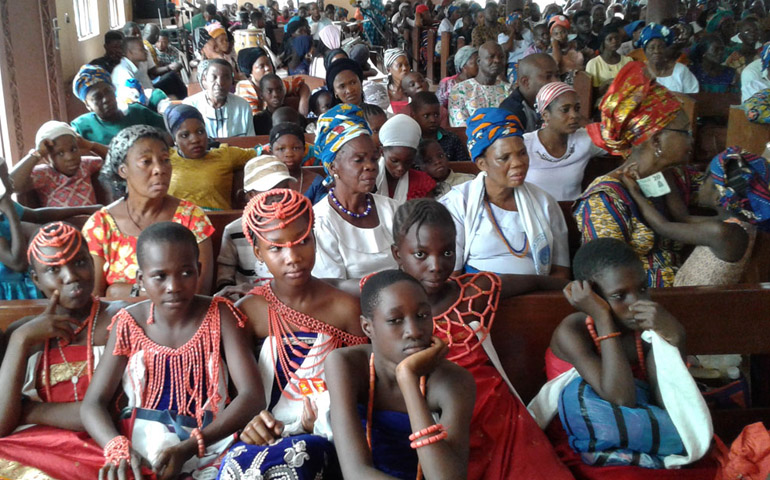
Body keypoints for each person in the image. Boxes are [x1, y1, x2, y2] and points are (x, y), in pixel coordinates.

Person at [390, 199, 572, 479]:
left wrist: (582, 287)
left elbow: (537, 282)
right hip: (433, 420)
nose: (437, 265)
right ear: (397, 254)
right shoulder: (384, 298)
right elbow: (333, 289)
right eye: (421, 254)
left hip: (497, 418)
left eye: (447, 252)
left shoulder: (476, 290)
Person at [80, 222, 262, 480]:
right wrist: (118, 448)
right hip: (140, 444)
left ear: (199, 270)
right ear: (141, 279)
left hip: (213, 444)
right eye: (160, 276)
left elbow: (252, 396)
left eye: (186, 273)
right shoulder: (128, 322)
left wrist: (190, 446)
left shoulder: (220, 315)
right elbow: (93, 403)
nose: (173, 286)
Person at [529, 238, 716, 479]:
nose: (637, 302)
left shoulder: (646, 330)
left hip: (640, 431)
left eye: (641, 289)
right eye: (619, 296)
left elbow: (665, 401)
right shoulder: (572, 332)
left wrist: (676, 338)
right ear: (592, 296)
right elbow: (621, 397)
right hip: (584, 440)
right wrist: (602, 317)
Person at [218, 189, 368, 478]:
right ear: (258, 252)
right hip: (259, 432)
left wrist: (322, 420)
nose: (293, 257)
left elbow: (362, 385)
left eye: (302, 241)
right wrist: (250, 425)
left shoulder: (345, 308)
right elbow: (236, 392)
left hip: (328, 432)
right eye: (276, 248)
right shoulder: (248, 312)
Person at [0, 223, 126, 479]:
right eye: (53, 269)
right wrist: (20, 341)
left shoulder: (119, 319)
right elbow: (2, 424)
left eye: (79, 262)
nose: (71, 276)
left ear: (92, 263)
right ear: (35, 279)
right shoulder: (23, 333)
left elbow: (110, 409)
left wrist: (29, 410)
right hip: (31, 446)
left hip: (101, 443)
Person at [324, 269, 476, 479]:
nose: (414, 331)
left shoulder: (455, 382)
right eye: (395, 320)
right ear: (367, 327)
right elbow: (355, 472)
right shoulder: (345, 364)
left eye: (422, 316)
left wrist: (408, 379)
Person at [575, 61, 698, 288]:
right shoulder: (606, 198)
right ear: (657, 141)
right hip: (642, 306)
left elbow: (723, 191)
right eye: (684, 132)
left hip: (688, 295)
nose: (692, 139)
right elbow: (605, 279)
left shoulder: (677, 177)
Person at [82, 125, 215, 298]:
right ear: (123, 170)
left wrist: (119, 291)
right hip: (116, 323)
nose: (159, 169)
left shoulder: (191, 218)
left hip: (182, 322)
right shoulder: (101, 225)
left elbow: (199, 292)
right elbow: (95, 298)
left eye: (165, 159)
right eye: (146, 162)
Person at [440, 109, 571, 278]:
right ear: (482, 164)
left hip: (536, 298)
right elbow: (452, 275)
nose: (518, 163)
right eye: (504, 157)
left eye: (522, 153)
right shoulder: (458, 203)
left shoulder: (544, 202)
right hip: (478, 297)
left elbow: (561, 271)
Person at [620, 147, 770, 286]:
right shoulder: (735, 225)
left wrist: (634, 192)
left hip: (690, 304)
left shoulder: (722, 232)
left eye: (705, 179)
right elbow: (683, 217)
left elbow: (663, 226)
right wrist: (666, 174)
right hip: (692, 298)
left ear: (719, 197)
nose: (700, 184)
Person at [311, 104, 399, 279]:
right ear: (333, 166)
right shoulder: (321, 222)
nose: (371, 167)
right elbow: (332, 288)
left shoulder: (391, 209)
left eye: (374, 159)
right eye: (359, 160)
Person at [0, 158, 99, 300]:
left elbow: (37, 215)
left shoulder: (5, 208)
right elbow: (17, 263)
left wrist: (87, 209)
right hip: (6, 292)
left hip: (21, 284)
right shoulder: (7, 210)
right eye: (5, 178)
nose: (11, 182)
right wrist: (11, 214)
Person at [215, 155, 295, 299]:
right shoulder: (233, 231)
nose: (278, 197)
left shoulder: (296, 227)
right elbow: (225, 276)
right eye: (270, 191)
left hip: (290, 298)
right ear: (251, 195)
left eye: (284, 189)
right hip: (248, 302)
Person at [523, 82, 607, 201]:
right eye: (565, 110)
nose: (574, 115)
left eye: (577, 109)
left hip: (572, 215)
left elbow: (619, 139)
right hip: (535, 217)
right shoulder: (525, 145)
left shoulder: (585, 140)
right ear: (545, 115)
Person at [164, 104, 255, 211]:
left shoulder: (225, 154)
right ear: (174, 138)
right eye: (185, 135)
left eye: (200, 132)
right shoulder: (165, 158)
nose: (195, 140)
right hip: (176, 225)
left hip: (218, 223)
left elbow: (264, 152)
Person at [10, 121, 107, 207]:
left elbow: (117, 158)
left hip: (91, 224)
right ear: (47, 158)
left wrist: (90, 145)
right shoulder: (45, 174)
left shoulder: (85, 165)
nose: (70, 157)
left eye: (73, 149)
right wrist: (37, 154)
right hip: (59, 226)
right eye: (60, 153)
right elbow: (10, 185)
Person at [70, 65, 166, 146]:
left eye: (108, 91)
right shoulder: (81, 127)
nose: (106, 99)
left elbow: (169, 132)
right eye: (97, 97)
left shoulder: (138, 112)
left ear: (114, 89)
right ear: (87, 105)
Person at [184, 59, 255, 138]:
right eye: (213, 77)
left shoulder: (242, 106)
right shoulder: (190, 106)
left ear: (232, 81)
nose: (220, 83)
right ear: (204, 79)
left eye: (226, 77)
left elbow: (250, 140)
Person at [375, 114, 436, 205]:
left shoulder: (423, 183)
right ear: (382, 152)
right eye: (394, 161)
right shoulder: (370, 181)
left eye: (408, 161)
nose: (401, 168)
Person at [449, 41, 512, 127]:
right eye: (491, 57)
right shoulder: (460, 90)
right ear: (479, 61)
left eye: (501, 57)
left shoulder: (508, 90)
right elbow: (460, 126)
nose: (497, 60)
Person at [235, 47, 311, 116]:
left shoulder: (274, 84)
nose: (268, 68)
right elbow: (255, 120)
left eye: (268, 63)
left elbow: (301, 84)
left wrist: (303, 104)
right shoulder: (245, 88)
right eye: (261, 66)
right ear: (250, 71)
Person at [499, 53, 560, 132]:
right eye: (548, 77)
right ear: (526, 82)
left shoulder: (555, 101)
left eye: (557, 75)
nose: (556, 81)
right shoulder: (511, 111)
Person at [269, 122, 323, 199]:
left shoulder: (316, 182)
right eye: (281, 149)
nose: (289, 154)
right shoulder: (264, 182)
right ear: (271, 152)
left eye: (296, 148)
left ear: (304, 150)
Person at [641, 23, 700, 94]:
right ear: (644, 51)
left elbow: (692, 99)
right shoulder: (638, 71)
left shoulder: (681, 71)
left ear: (666, 49)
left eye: (661, 47)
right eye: (651, 48)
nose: (656, 51)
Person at [585, 24, 634, 97]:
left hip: (625, 102)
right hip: (603, 104)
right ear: (603, 42)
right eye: (610, 39)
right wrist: (607, 83)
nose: (614, 41)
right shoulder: (594, 63)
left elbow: (633, 84)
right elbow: (591, 94)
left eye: (617, 38)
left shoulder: (628, 60)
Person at [364, 48, 411, 113]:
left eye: (407, 65)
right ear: (389, 70)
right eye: (400, 65)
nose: (405, 68)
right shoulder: (380, 92)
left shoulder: (413, 89)